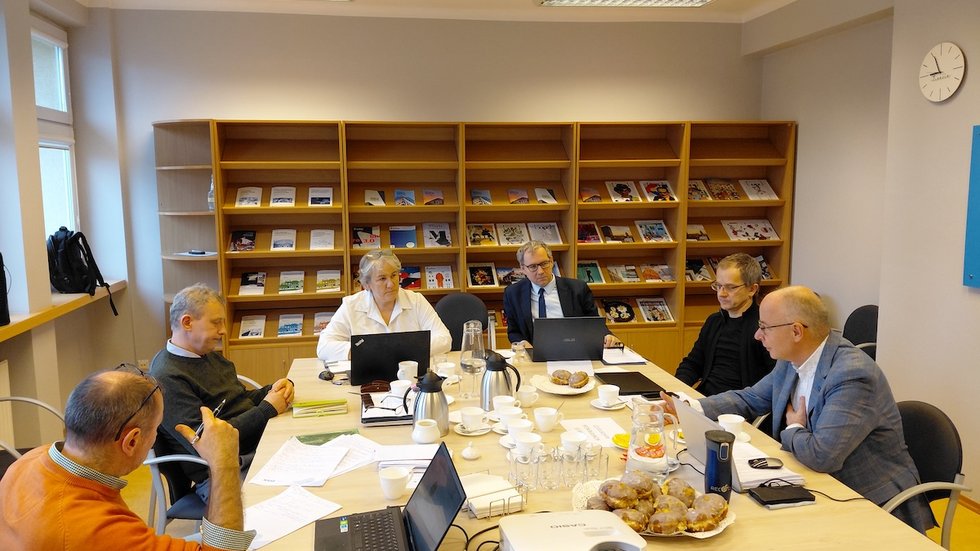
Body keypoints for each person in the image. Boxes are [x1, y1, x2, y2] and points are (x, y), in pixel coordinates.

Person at [662, 286, 933, 532]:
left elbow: (822, 456)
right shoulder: (791, 359)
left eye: (765, 327)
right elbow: (751, 398)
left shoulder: (852, 375)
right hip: (816, 483)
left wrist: (793, 428)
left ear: (796, 331)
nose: (758, 335)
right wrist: (687, 406)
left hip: (869, 502)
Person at [0, 366, 254, 550]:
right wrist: (223, 463)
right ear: (131, 441)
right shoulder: (98, 529)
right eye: (156, 430)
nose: (156, 438)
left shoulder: (27, 461)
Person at [150, 284, 294, 501]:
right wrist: (266, 409)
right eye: (216, 323)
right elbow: (209, 443)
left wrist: (274, 390)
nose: (224, 331)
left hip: (253, 450)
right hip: (222, 472)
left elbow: (239, 400)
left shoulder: (208, 355)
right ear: (187, 322)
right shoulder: (167, 377)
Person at [317, 249, 452, 361]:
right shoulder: (351, 306)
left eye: (394, 275)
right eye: (382, 278)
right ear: (367, 284)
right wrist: (362, 352)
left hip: (410, 376)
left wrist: (403, 349)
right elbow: (324, 346)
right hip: (369, 377)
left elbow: (444, 339)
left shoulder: (416, 300)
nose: (391, 284)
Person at [675, 253, 775, 396]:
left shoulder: (765, 327)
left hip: (740, 407)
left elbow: (773, 380)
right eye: (718, 286)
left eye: (730, 287)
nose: (721, 294)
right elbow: (693, 364)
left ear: (752, 289)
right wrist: (676, 391)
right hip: (704, 398)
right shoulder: (713, 321)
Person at [503, 240, 620, 348]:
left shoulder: (577, 289)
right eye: (533, 267)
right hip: (534, 353)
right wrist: (522, 343)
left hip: (574, 350)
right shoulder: (513, 293)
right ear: (523, 269)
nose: (540, 271)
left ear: (552, 261)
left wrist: (607, 335)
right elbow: (514, 331)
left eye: (544, 264)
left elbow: (593, 322)